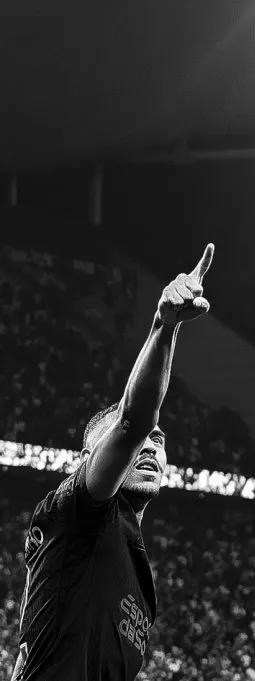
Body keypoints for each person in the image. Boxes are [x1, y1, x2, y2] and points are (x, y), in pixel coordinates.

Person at [11, 244, 216, 681]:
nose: (149, 444)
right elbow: (132, 421)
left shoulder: (140, 581)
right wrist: (164, 326)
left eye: (158, 440)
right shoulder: (76, 514)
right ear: (88, 459)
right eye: (142, 437)